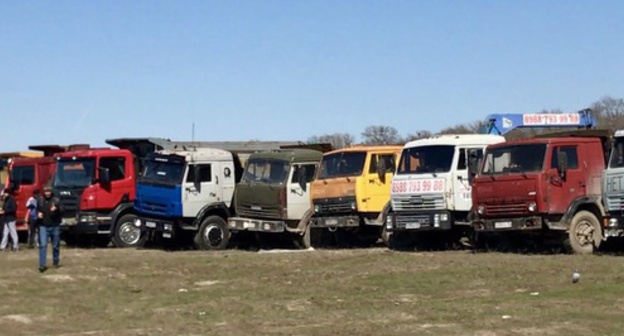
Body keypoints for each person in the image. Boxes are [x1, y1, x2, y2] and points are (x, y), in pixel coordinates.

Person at [38, 186, 63, 273]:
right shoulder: (40, 200)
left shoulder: (56, 200)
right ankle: (42, 265)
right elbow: (37, 209)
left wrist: (57, 208)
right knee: (43, 245)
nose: (47, 193)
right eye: (46, 191)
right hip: (43, 226)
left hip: (54, 226)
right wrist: (39, 213)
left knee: (55, 245)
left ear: (51, 191)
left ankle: (55, 261)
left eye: (48, 191)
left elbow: (63, 209)